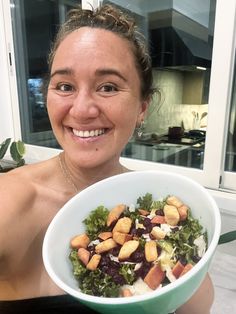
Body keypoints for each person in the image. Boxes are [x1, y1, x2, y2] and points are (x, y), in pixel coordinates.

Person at [0, 4, 214, 314]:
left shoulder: (155, 210)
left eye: (108, 87)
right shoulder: (12, 198)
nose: (82, 109)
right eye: (65, 86)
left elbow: (196, 309)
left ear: (142, 107)